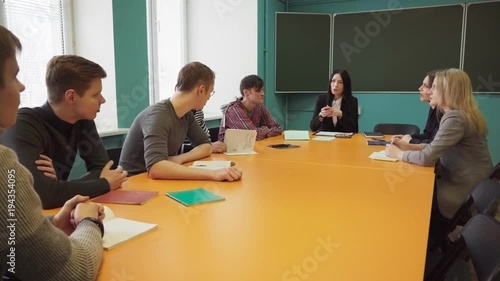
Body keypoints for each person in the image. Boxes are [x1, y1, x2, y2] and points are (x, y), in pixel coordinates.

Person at [0, 24, 104, 281]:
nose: (22, 87)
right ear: (71, 97)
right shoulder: (6, 159)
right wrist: (90, 222)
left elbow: (10, 240)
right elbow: (75, 273)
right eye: (14, 77)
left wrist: (54, 222)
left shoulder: (83, 121)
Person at [0, 55, 127, 209]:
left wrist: (59, 186)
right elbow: (41, 197)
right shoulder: (23, 125)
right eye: (95, 95)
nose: (103, 100)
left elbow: (103, 169)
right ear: (71, 97)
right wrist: (104, 184)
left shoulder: (83, 120)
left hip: (58, 213)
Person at [386, 68, 493, 220]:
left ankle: (424, 238)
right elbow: (435, 147)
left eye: (434, 87)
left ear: (448, 91)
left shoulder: (455, 118)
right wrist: (408, 146)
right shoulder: (461, 114)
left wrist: (398, 154)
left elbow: (427, 158)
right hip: (477, 187)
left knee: (410, 196)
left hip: (464, 190)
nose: (430, 92)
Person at [119, 61, 242, 181]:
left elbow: (206, 145)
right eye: (210, 92)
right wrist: (213, 174)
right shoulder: (158, 116)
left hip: (160, 179)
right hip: (135, 183)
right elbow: (156, 168)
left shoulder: (186, 114)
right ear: (201, 90)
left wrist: (180, 159)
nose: (209, 97)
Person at [218, 74, 283, 141]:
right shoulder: (234, 110)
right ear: (246, 93)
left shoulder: (259, 106)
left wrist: (261, 131)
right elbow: (252, 135)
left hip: (250, 148)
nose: (263, 94)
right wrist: (266, 129)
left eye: (262, 90)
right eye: (258, 91)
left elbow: (277, 128)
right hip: (230, 150)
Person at [392, 70, 440, 145]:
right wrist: (407, 137)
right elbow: (428, 135)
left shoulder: (444, 114)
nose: (420, 88)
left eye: (426, 86)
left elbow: (434, 144)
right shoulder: (433, 108)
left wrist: (410, 141)